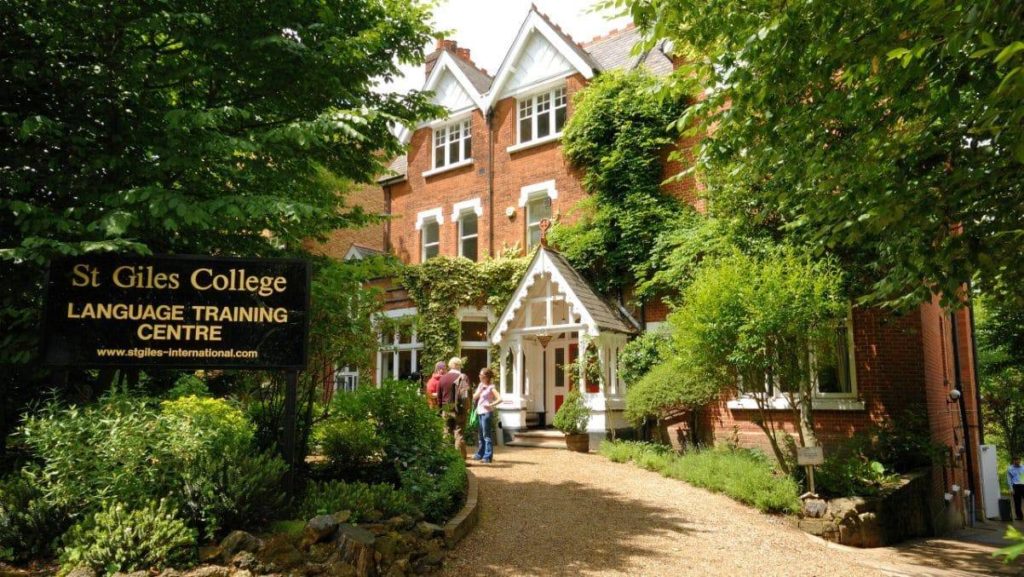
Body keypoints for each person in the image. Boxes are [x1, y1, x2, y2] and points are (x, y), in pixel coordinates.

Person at [437, 357, 469, 459]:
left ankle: (446, 459)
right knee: (458, 434)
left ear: (450, 365)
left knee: (446, 433)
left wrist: (440, 410)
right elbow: (466, 395)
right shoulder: (463, 377)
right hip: (459, 409)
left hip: (446, 409)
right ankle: (460, 460)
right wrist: (467, 407)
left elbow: (439, 397)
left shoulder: (442, 378)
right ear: (459, 365)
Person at [472, 367, 502, 463]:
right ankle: (480, 454)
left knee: (486, 435)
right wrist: (480, 391)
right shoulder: (481, 385)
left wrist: (491, 404)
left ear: (486, 377)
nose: (479, 376)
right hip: (480, 412)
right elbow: (474, 397)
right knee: (480, 435)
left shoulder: (491, 387)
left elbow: (500, 399)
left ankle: (488, 456)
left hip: (486, 413)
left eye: (481, 375)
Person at [1009, 456, 1024, 521]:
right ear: (1013, 461)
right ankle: (1019, 516)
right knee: (1017, 502)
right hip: (1015, 486)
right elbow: (1009, 479)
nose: (1017, 462)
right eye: (1016, 460)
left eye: (1018, 460)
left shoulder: (1023, 467)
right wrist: (1011, 488)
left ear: (1020, 460)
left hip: (1023, 485)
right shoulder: (1010, 469)